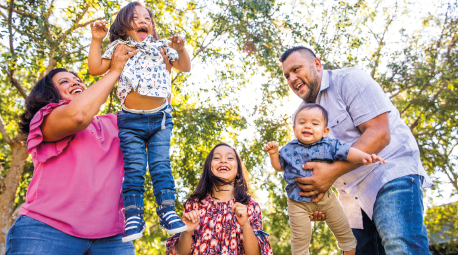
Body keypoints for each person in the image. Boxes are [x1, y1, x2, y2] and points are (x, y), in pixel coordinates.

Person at [279, 46, 433, 254]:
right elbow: (316, 166)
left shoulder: (349, 80)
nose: (292, 78)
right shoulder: (300, 116)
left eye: (297, 69)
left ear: (317, 64)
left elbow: (379, 133)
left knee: (401, 248)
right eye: (287, 75)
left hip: (388, 174)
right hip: (351, 198)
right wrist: (315, 201)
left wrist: (332, 172)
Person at [6, 44, 139, 254]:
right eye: (64, 81)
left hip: (112, 239)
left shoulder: (114, 123)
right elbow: (78, 116)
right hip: (46, 231)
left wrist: (161, 65)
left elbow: (155, 115)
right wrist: (114, 70)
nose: (75, 82)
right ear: (50, 93)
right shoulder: (46, 118)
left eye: (78, 79)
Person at [88, 1, 192, 242]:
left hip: (161, 119)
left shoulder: (162, 46)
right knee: (134, 169)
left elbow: (184, 67)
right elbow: (95, 68)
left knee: (160, 166)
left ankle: (167, 210)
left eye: (147, 18)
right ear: (123, 26)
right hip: (130, 121)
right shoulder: (118, 47)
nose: (143, 21)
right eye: (135, 18)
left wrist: (181, 48)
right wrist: (96, 39)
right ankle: (133, 215)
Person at [264, 103, 386, 255]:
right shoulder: (288, 149)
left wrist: (365, 157)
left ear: (325, 131)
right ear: (294, 129)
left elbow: (348, 152)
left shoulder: (330, 145)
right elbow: (279, 167)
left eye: (315, 123)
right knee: (299, 244)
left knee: (347, 238)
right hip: (297, 203)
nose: (308, 126)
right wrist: (273, 154)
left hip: (327, 200)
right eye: (302, 122)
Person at [166, 143, 273, 255]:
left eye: (230, 158)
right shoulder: (193, 205)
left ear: (238, 171)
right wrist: (187, 232)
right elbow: (180, 253)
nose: (223, 161)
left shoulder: (250, 206)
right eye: (217, 158)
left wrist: (245, 225)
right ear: (209, 168)